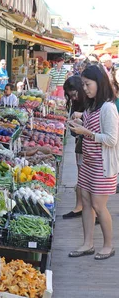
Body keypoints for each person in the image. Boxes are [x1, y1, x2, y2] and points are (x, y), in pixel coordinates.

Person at [68, 64, 119, 260]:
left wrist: (85, 132)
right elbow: (93, 127)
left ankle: (108, 245)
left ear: (99, 83)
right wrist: (80, 122)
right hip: (89, 162)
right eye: (83, 84)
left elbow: (111, 139)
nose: (85, 88)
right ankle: (87, 243)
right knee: (87, 202)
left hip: (102, 165)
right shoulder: (92, 105)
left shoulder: (108, 107)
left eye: (88, 84)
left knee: (98, 205)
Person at [62, 76, 87, 219]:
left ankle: (91, 210)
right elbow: (72, 132)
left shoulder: (91, 101)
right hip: (80, 143)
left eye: (74, 94)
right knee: (81, 175)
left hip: (90, 145)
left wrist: (82, 118)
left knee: (86, 176)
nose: (73, 98)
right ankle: (80, 206)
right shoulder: (76, 103)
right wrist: (73, 123)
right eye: (71, 96)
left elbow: (96, 121)